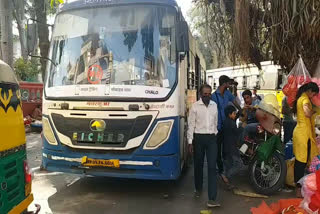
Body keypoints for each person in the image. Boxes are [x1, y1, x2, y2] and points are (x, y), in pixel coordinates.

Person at [188, 84, 220, 208]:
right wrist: (190, 142)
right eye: (205, 94)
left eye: (209, 94)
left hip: (212, 139)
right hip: (199, 138)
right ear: (201, 94)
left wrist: (215, 134)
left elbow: (215, 122)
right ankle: (198, 188)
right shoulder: (195, 106)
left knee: (212, 167)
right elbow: (191, 125)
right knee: (198, 165)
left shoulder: (214, 105)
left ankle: (212, 198)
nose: (207, 96)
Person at [211, 75, 241, 184]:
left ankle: (225, 170)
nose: (229, 85)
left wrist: (241, 110)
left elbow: (235, 102)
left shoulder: (228, 94)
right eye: (228, 83)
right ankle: (220, 171)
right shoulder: (213, 96)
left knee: (226, 150)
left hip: (226, 127)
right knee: (217, 150)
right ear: (224, 84)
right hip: (217, 128)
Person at [292, 82, 319, 197]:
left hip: (302, 133)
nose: (313, 97)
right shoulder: (305, 100)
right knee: (301, 162)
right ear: (310, 91)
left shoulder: (301, 98)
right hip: (303, 134)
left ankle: (300, 187)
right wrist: (315, 110)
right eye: (313, 94)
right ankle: (298, 189)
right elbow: (307, 113)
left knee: (301, 161)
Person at [223, 105, 243, 188]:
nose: (235, 115)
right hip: (232, 148)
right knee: (239, 164)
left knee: (229, 164)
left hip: (226, 147)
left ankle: (228, 183)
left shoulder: (226, 121)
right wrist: (242, 126)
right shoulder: (231, 123)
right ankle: (226, 176)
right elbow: (236, 132)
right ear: (229, 114)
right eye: (234, 113)